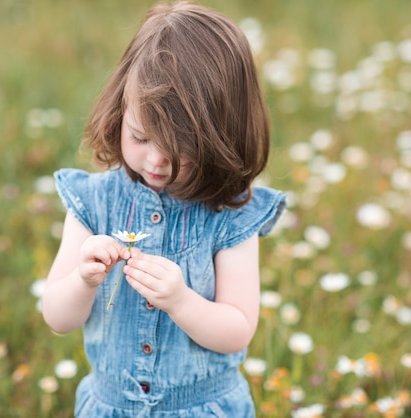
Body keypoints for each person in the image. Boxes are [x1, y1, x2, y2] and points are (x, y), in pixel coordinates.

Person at [42, 1, 286, 416]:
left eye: (180, 151)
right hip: (111, 405)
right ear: (120, 112)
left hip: (203, 406)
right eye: (139, 137)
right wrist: (83, 280)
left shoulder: (230, 213)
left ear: (222, 140)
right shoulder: (94, 201)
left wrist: (181, 301)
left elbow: (238, 329)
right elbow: (56, 316)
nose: (156, 161)